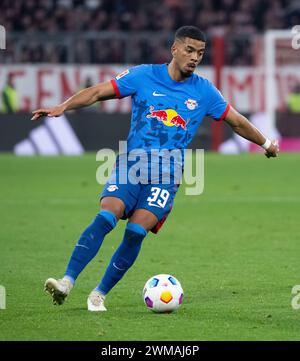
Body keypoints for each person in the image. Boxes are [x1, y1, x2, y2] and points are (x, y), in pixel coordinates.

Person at [32, 26, 279, 312]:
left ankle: (99, 294)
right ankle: (67, 281)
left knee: (136, 231)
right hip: (131, 166)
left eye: (200, 53)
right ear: (174, 49)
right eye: (189, 50)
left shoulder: (204, 92)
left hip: (166, 176)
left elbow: (236, 121)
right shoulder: (143, 75)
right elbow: (98, 92)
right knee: (106, 215)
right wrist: (64, 106)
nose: (195, 57)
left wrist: (265, 142)